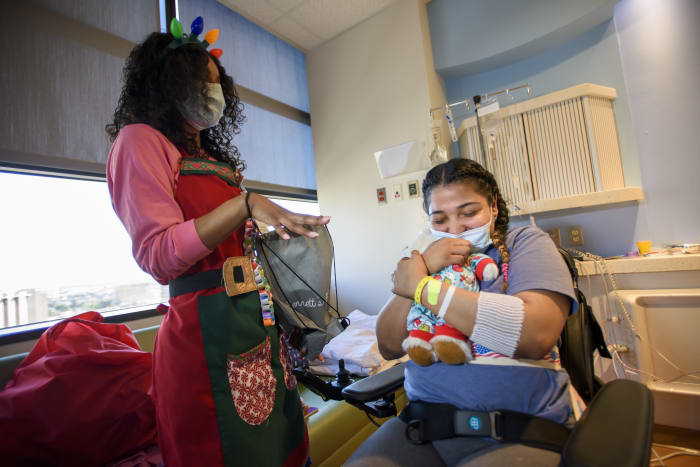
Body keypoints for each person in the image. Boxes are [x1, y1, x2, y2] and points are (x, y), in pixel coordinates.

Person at [105, 18, 328, 467]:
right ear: (167, 86)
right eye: (200, 83)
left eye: (216, 83)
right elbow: (159, 256)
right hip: (202, 335)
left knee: (283, 446)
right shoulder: (140, 142)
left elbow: (230, 241)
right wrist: (244, 205)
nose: (213, 94)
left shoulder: (209, 159)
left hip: (256, 326)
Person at [347, 158, 578, 466]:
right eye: (440, 219)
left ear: (493, 207)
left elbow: (535, 334)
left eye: (469, 213)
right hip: (425, 426)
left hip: (514, 430)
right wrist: (425, 267)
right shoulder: (424, 261)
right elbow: (389, 345)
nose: (455, 229)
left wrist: (420, 287)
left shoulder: (525, 243)